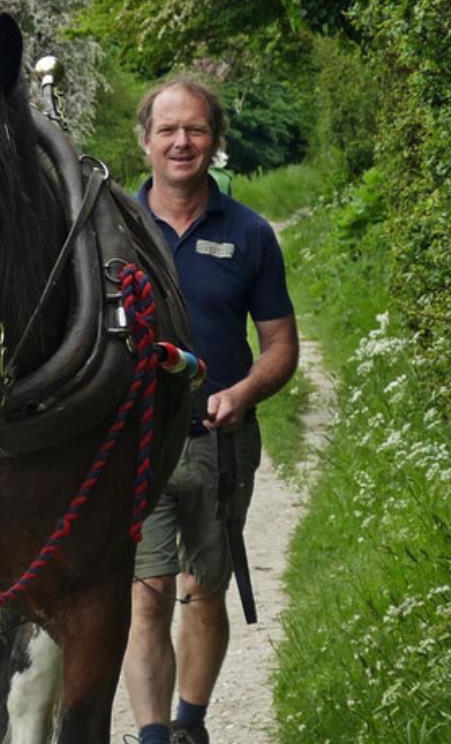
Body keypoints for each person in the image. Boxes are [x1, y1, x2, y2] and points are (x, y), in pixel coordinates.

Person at [123, 77, 299, 744]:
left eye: (194, 129)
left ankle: (189, 721)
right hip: (136, 449)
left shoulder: (249, 233)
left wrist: (243, 392)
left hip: (218, 443)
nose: (181, 142)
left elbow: (281, 346)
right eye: (167, 129)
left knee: (204, 587)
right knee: (148, 592)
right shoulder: (115, 232)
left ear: (214, 143)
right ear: (145, 141)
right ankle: (152, 736)